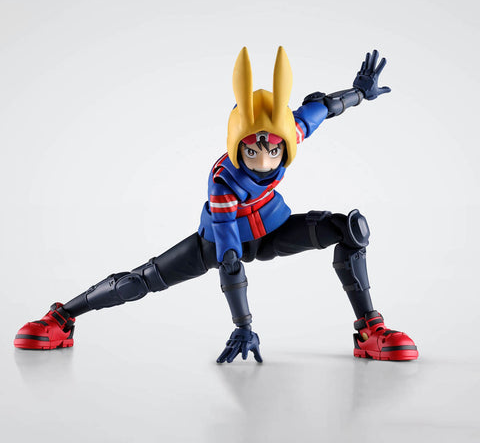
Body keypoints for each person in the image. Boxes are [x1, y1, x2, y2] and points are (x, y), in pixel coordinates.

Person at [14, 47, 418, 363]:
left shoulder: (289, 132)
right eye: (253, 151)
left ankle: (370, 331)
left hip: (274, 231)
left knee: (348, 229)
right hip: (218, 244)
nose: (265, 161)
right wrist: (243, 324)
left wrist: (360, 92)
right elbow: (229, 259)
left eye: (273, 151)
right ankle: (61, 318)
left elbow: (325, 108)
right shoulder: (224, 182)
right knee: (139, 282)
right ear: (237, 144)